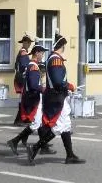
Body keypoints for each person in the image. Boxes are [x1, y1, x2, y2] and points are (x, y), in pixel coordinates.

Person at [27, 33, 84, 165]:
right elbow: (58, 81)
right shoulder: (56, 59)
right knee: (60, 126)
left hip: (57, 96)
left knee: (66, 125)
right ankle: (35, 148)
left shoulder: (52, 58)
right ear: (62, 45)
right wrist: (70, 86)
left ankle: (70, 155)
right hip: (56, 96)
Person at [7, 42, 55, 156]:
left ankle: (42, 146)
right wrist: (44, 89)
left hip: (32, 99)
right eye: (42, 52)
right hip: (32, 99)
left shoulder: (31, 65)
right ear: (36, 53)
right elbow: (34, 85)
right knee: (36, 123)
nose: (42, 55)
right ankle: (15, 141)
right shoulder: (33, 66)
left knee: (39, 123)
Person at [13, 32, 33, 125]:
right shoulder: (23, 53)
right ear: (24, 43)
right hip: (22, 78)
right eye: (27, 42)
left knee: (23, 99)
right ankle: (19, 119)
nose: (28, 44)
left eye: (29, 42)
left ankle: (22, 119)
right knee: (23, 99)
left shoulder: (22, 52)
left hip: (19, 77)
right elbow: (25, 66)